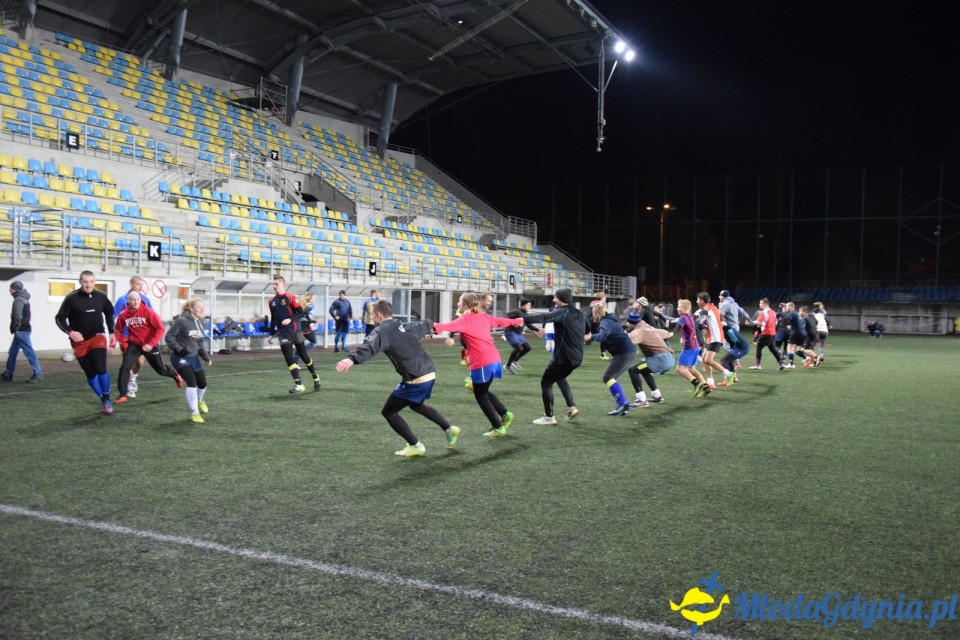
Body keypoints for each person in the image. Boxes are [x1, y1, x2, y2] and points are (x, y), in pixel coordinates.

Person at [336, 299, 460, 457]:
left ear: (378, 315)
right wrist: (441, 328)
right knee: (416, 405)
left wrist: (351, 359)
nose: (372, 318)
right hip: (430, 373)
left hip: (416, 379)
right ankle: (449, 429)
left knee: (389, 412)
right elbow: (427, 323)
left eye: (372, 315)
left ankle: (416, 446)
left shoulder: (382, 331)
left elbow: (370, 347)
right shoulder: (405, 326)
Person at [433, 292, 524, 438]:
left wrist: (431, 327)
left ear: (465, 305)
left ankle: (497, 427)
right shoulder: (483, 316)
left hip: (482, 362)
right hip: (494, 359)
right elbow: (500, 321)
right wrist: (516, 321)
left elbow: (449, 326)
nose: (457, 304)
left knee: (480, 395)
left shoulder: (465, 319)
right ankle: (505, 415)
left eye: (459, 301)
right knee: (483, 391)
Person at [55, 270, 118, 414]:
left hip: (98, 336)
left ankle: (107, 400)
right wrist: (70, 332)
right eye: (85, 282)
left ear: (95, 282)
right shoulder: (71, 298)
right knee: (90, 374)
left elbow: (109, 312)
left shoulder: (101, 297)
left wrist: (112, 332)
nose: (88, 285)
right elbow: (59, 318)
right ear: (80, 282)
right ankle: (102, 399)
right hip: (80, 342)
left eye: (91, 282)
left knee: (101, 369)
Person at [522, 288, 586, 425]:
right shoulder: (580, 313)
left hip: (563, 358)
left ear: (561, 299)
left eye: (555, 297)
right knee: (560, 377)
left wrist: (523, 319)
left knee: (546, 382)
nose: (553, 300)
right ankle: (571, 407)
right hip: (578, 358)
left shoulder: (562, 312)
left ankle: (549, 417)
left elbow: (545, 317)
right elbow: (588, 328)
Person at [112, 290, 183, 403]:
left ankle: (175, 375)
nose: (136, 302)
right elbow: (118, 330)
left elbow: (160, 329)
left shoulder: (149, 312)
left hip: (150, 345)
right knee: (124, 367)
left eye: (138, 299)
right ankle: (122, 395)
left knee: (161, 370)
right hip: (134, 345)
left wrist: (151, 343)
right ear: (128, 301)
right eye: (133, 300)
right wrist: (114, 344)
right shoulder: (123, 315)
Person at [267, 276, 321, 393]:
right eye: (273, 284)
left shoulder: (290, 297)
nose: (274, 286)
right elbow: (273, 318)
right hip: (282, 333)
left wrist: (290, 320)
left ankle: (315, 377)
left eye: (276, 284)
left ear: (283, 285)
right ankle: (299, 385)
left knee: (304, 356)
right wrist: (271, 334)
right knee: (289, 358)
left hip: (296, 331)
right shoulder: (271, 301)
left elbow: (301, 314)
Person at [166, 298, 213, 423]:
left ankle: (199, 401)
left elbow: (199, 343)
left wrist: (205, 357)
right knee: (192, 382)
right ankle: (194, 413)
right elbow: (169, 337)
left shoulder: (201, 323)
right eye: (199, 307)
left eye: (203, 307)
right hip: (179, 357)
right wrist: (179, 349)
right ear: (191, 308)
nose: (202, 309)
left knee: (202, 383)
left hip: (193, 357)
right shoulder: (182, 321)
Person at [585, 302, 636, 416]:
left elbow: (602, 335)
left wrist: (591, 337)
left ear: (597, 314)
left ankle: (623, 404)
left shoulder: (605, 322)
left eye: (593, 314)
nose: (592, 316)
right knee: (611, 378)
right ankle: (623, 405)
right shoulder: (609, 320)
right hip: (628, 351)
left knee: (607, 377)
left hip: (624, 352)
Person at [624, 311, 672, 406]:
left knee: (633, 370)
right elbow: (666, 333)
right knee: (644, 370)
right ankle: (657, 396)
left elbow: (627, 340)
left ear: (632, 323)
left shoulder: (639, 331)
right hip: (668, 357)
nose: (626, 324)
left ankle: (642, 400)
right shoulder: (649, 327)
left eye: (628, 322)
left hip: (660, 360)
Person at [114, 276, 151, 398]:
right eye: (138, 284)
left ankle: (133, 379)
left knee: (140, 362)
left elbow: (151, 316)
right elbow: (114, 317)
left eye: (141, 284)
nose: (140, 287)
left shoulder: (145, 299)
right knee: (128, 362)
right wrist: (114, 334)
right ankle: (128, 387)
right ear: (131, 284)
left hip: (140, 336)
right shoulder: (122, 300)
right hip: (125, 336)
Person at [2, 281, 42, 383]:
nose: (9, 290)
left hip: (21, 330)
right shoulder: (24, 299)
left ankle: (37, 374)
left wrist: (15, 328)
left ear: (15, 290)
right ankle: (8, 374)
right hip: (23, 330)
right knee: (12, 352)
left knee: (29, 352)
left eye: (11, 288)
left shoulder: (18, 300)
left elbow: (17, 315)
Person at [696, 292, 734, 388]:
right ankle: (710, 383)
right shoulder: (713, 307)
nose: (697, 301)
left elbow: (703, 314)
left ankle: (729, 374)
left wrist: (696, 316)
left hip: (715, 338)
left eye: (698, 300)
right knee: (704, 360)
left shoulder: (708, 308)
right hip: (711, 337)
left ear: (702, 301)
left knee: (708, 360)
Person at [675, 299, 710, 397]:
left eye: (679, 307)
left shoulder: (683, 317)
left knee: (679, 369)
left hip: (689, 346)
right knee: (692, 369)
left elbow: (677, 327)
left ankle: (696, 383)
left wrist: (671, 333)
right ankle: (705, 386)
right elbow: (699, 315)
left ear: (685, 308)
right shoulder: (690, 316)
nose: (677, 308)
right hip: (696, 346)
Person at [748, 298, 784, 370]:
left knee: (758, 347)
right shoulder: (773, 312)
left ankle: (757, 365)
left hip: (766, 333)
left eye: (761, 303)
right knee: (772, 349)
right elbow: (776, 323)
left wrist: (750, 322)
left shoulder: (764, 312)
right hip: (773, 333)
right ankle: (781, 363)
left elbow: (758, 321)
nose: (759, 305)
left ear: (765, 304)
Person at [504, 297, 537, 373]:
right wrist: (512, 322)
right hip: (510, 332)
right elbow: (506, 316)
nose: (530, 307)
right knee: (518, 348)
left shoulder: (526, 314)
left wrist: (538, 329)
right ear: (523, 305)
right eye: (528, 305)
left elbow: (528, 325)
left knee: (527, 348)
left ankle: (515, 360)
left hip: (518, 334)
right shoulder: (517, 311)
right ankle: (507, 366)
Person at [590, 292, 610, 360]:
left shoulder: (594, 303)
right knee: (603, 336)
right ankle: (603, 353)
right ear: (602, 297)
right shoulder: (602, 304)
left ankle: (603, 353)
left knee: (602, 336)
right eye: (605, 297)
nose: (605, 298)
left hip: (594, 321)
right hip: (598, 321)